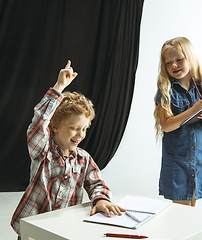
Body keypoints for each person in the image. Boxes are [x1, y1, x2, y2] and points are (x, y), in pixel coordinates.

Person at [11, 60, 125, 239]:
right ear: (54, 126)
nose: (80, 134)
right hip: (34, 228)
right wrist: (59, 86)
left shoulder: (83, 159)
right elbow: (39, 121)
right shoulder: (42, 151)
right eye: (74, 128)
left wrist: (101, 199)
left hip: (63, 227)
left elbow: (96, 183)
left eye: (85, 129)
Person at [154, 37, 202, 207]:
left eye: (179, 60)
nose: (174, 65)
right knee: (181, 210)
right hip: (177, 159)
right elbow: (167, 125)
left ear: (190, 58)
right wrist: (193, 110)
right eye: (168, 63)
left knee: (191, 208)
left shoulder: (201, 88)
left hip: (197, 157)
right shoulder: (166, 90)